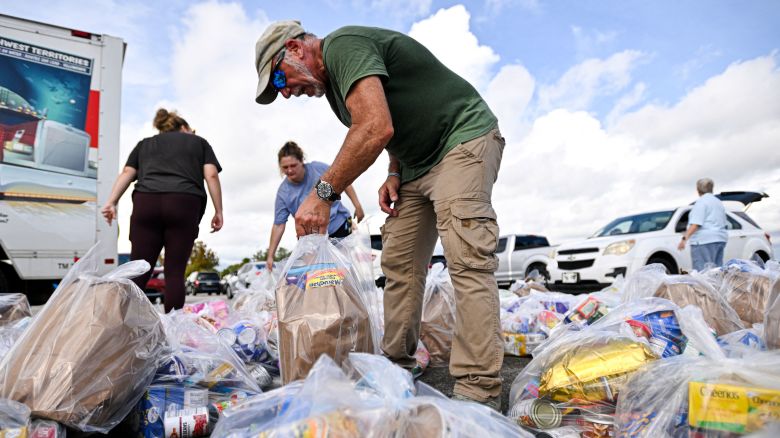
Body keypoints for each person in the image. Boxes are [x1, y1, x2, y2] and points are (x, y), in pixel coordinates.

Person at [254, 22, 505, 409]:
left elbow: (375, 125)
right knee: (400, 262)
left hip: (461, 139)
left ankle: (477, 390)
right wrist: (394, 171)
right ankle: (397, 367)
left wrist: (324, 193)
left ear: (295, 48)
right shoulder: (336, 93)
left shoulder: (342, 46)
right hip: (414, 164)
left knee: (466, 257)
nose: (286, 93)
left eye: (278, 79)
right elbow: (394, 121)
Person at [101, 108, 224, 312]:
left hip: (146, 203)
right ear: (184, 128)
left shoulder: (145, 144)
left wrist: (111, 202)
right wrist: (218, 210)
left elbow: (127, 173)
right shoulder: (198, 142)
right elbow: (211, 175)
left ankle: (122, 328)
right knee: (175, 273)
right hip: (184, 203)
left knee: (138, 271)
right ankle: (173, 330)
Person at [267, 140, 365, 270]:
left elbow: (344, 181)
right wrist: (270, 255)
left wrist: (357, 205)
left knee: (344, 271)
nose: (289, 170)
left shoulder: (318, 169)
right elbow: (279, 224)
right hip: (313, 240)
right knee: (320, 276)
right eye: (285, 167)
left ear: (302, 161)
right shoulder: (284, 193)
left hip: (340, 227)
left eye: (293, 165)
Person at [678, 178, 728, 271]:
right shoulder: (718, 202)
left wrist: (684, 239)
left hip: (704, 241)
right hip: (720, 239)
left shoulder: (701, 202)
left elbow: (696, 224)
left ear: (698, 189)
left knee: (703, 274)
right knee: (716, 272)